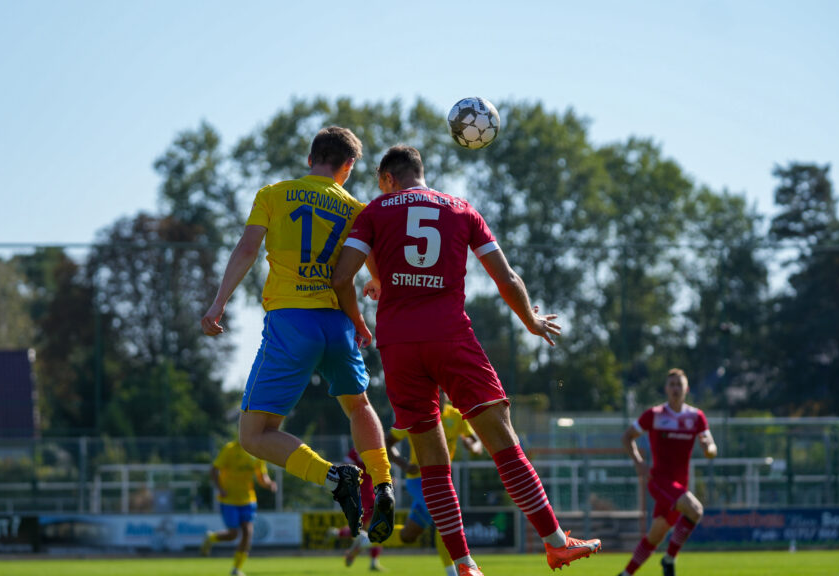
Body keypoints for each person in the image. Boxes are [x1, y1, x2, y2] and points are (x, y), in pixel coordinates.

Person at [332, 145, 601, 576]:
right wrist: (531, 321)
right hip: (450, 337)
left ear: (387, 179)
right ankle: (555, 543)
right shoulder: (460, 209)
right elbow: (505, 277)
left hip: (398, 344)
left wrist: (360, 320)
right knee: (504, 443)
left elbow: (342, 276)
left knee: (432, 463)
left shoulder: (375, 211)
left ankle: (463, 563)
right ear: (420, 172)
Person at [201, 126, 394, 543]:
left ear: (310, 159)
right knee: (359, 406)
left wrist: (219, 303)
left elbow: (247, 249)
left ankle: (333, 477)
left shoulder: (274, 194)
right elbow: (371, 272)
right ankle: (382, 484)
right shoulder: (357, 210)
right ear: (348, 167)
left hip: (291, 323)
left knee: (254, 435)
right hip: (338, 324)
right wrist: (371, 293)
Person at [618, 368, 717, 576]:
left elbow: (711, 448)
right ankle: (669, 559)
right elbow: (627, 437)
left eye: (679, 384)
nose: (675, 388)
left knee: (656, 535)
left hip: (680, 485)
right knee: (696, 510)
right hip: (660, 481)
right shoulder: (654, 415)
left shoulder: (696, 416)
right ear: (666, 389)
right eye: (672, 384)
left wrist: (709, 448)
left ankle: (626, 574)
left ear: (687, 389)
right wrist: (638, 462)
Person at [386, 397, 482, 576]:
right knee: (444, 518)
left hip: (443, 480)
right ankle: (454, 573)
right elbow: (388, 442)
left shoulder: (456, 415)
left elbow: (476, 442)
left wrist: (472, 446)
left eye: (441, 388)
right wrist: (404, 465)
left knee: (408, 536)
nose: (439, 391)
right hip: (418, 480)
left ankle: (367, 539)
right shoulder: (414, 413)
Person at [201, 440, 278, 576]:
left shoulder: (257, 452)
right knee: (233, 534)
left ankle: (236, 569)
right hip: (229, 499)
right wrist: (220, 489)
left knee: (248, 532)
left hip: (248, 500)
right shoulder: (230, 449)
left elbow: (262, 476)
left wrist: (269, 484)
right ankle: (211, 538)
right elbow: (214, 469)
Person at [337, 447, 386, 572]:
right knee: (371, 529)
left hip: (370, 495)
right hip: (364, 496)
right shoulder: (361, 450)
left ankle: (368, 558)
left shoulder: (370, 448)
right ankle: (340, 535)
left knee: (374, 528)